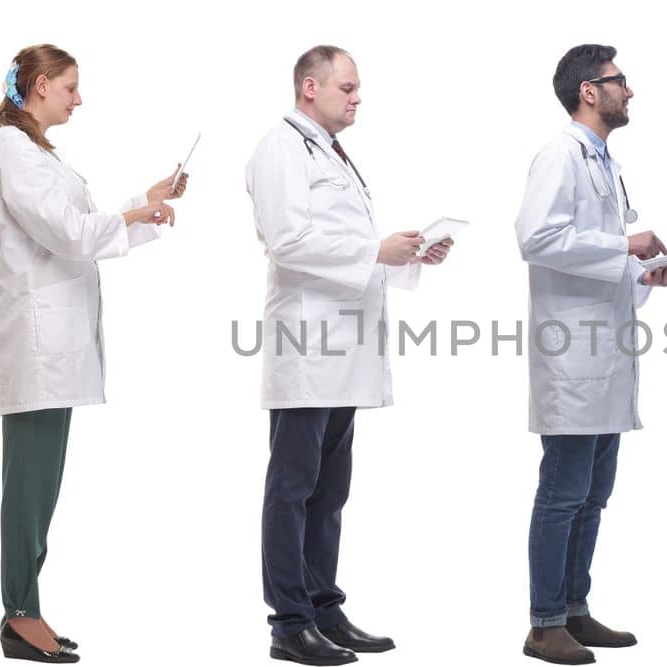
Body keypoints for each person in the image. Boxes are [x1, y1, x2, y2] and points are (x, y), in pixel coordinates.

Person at [246, 44, 454, 666]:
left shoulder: (329, 151)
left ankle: (323, 606)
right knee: (293, 487)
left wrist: (406, 255)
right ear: (310, 87)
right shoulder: (279, 148)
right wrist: (374, 251)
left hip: (343, 349)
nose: (358, 98)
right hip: (307, 346)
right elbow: (289, 242)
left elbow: (350, 243)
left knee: (330, 490)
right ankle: (289, 623)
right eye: (348, 88)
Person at [0, 43, 181, 663]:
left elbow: (81, 224)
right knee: (31, 484)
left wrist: (142, 203)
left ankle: (27, 607)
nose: (79, 98)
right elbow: (66, 232)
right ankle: (19, 612)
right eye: (70, 87)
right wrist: (131, 213)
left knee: (42, 483)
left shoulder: (38, 152)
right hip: (37, 342)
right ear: (40, 85)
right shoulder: (11, 148)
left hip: (58, 341)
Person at [514, 43, 667, 666]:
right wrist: (625, 242)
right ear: (590, 90)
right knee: (563, 493)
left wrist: (646, 273)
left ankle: (575, 610)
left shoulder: (604, 161)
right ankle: (543, 623)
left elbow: (598, 256)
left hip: (606, 353)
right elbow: (536, 238)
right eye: (620, 81)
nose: (629, 91)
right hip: (572, 356)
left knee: (594, 494)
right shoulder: (560, 155)